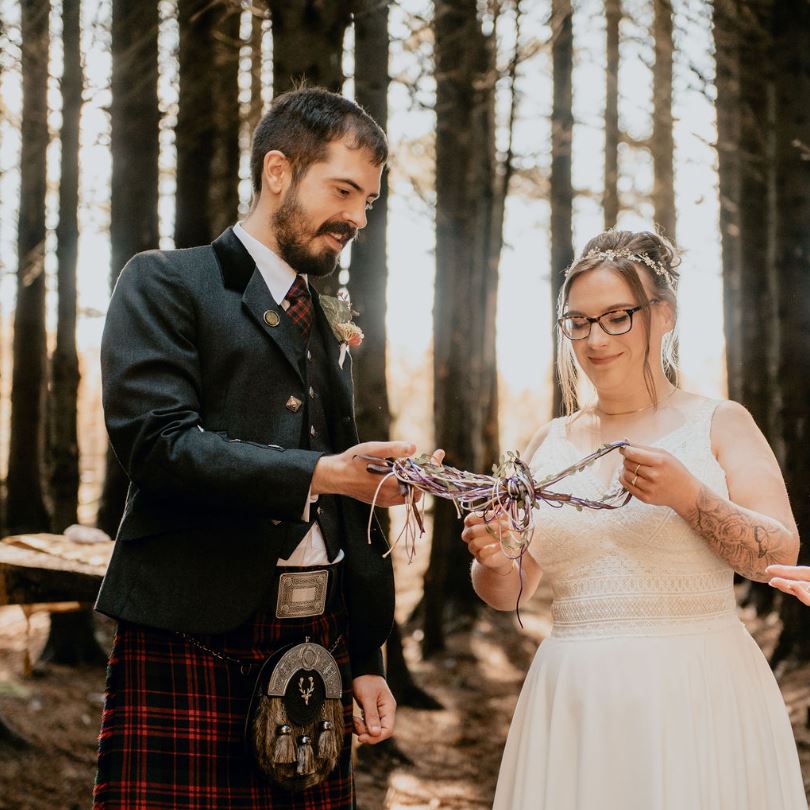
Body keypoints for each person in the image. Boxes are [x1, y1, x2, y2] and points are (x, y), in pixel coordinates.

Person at [94, 87, 427, 808]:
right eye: (343, 190)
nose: (356, 218)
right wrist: (322, 474)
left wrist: (369, 653)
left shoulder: (327, 318)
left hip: (320, 641)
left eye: (367, 201)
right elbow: (158, 446)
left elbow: (353, 501)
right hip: (191, 636)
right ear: (278, 171)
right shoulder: (166, 282)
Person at [461, 230, 805, 809]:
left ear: (663, 316)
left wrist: (690, 498)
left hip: (699, 693)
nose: (596, 339)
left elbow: (780, 555)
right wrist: (496, 560)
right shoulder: (546, 443)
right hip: (574, 700)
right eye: (579, 321)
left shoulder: (720, 423)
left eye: (617, 317)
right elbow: (510, 591)